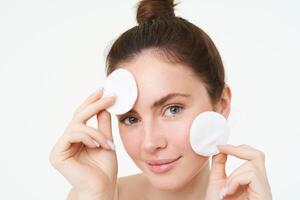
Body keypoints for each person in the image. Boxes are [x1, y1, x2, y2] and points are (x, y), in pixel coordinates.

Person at [49, 0, 272, 199]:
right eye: (130, 119)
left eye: (173, 109)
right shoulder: (94, 195)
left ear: (222, 104)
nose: (150, 143)